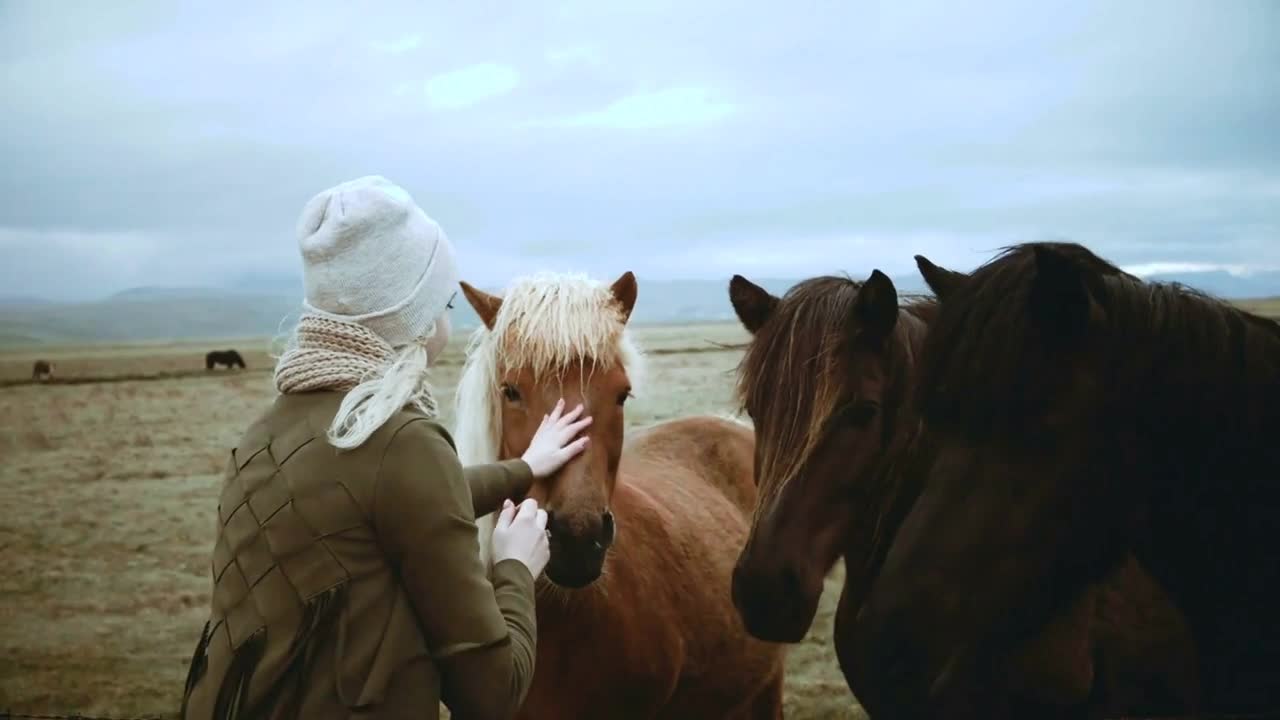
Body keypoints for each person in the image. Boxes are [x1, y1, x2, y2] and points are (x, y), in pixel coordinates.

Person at [180, 175, 592, 720]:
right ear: (411, 316)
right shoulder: (398, 441)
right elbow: (492, 692)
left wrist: (523, 468)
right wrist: (514, 565)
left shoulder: (265, 433)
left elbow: (393, 499)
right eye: (443, 302)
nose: (449, 320)